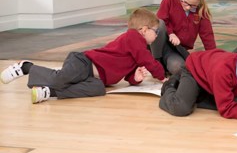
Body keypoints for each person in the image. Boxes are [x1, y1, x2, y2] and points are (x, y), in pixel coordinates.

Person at [1, 8, 166, 103]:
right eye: (156, 31)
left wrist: (135, 77)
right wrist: (162, 77)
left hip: (95, 78)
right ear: (144, 30)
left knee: (98, 89)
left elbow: (129, 75)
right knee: (61, 78)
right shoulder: (133, 37)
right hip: (84, 62)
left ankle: (49, 92)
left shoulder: (138, 48)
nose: (157, 35)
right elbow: (147, 60)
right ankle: (27, 67)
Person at [150, 0, 216, 77]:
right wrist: (171, 33)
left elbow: (207, 36)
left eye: (193, 5)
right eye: (185, 2)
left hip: (176, 50)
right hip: (159, 42)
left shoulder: (202, 11)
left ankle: (164, 65)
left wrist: (215, 58)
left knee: (179, 68)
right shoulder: (169, 0)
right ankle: (155, 62)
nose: (188, 8)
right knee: (159, 24)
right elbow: (160, 21)